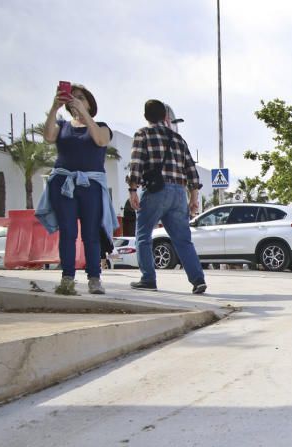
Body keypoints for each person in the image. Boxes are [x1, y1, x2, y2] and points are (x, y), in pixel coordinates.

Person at [36, 83, 117, 295]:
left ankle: (94, 278)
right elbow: (48, 136)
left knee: (91, 234)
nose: (76, 100)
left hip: (90, 186)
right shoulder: (63, 126)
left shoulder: (101, 126)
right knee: (68, 232)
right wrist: (54, 108)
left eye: (81, 97)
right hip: (65, 186)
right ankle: (67, 278)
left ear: (89, 102)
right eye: (73, 97)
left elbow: (100, 140)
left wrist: (84, 114)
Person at [127, 99, 206, 294]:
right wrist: (193, 198)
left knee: (143, 235)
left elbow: (136, 164)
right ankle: (198, 280)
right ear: (165, 117)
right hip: (179, 193)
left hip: (155, 191)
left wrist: (133, 189)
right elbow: (191, 171)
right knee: (182, 239)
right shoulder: (178, 139)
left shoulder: (142, 134)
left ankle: (148, 278)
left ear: (146, 117)